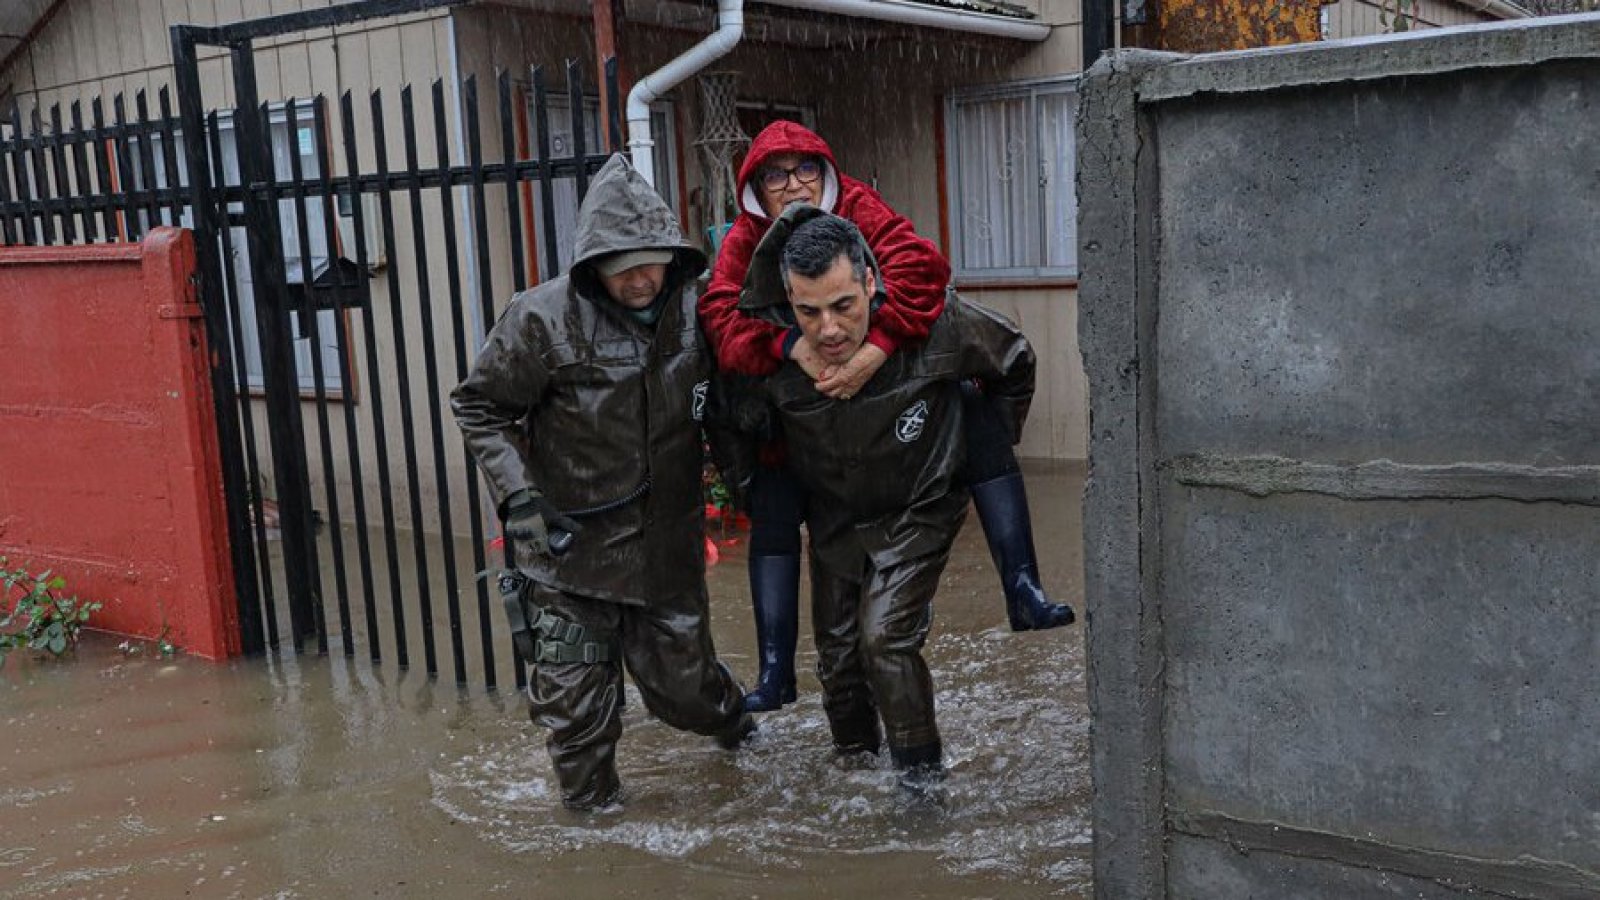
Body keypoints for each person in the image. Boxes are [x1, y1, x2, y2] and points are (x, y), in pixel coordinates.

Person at [698, 120, 1073, 713]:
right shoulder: (745, 241)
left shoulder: (859, 208)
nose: (792, 185)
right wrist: (786, 347)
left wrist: (878, 349)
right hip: (807, 429)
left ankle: (1021, 585)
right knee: (780, 507)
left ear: (825, 173)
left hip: (898, 419)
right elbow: (719, 321)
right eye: (774, 175)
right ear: (754, 187)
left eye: (804, 169)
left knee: (971, 405)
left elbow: (925, 271)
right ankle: (774, 671)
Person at [451, 154, 752, 812]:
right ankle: (597, 840)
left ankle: (742, 729)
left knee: (688, 696)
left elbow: (728, 409)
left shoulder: (699, 312)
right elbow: (479, 407)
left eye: (652, 265)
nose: (642, 281)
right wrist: (517, 495)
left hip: (666, 553)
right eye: (623, 270)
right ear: (595, 269)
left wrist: (748, 484)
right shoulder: (540, 319)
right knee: (575, 719)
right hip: (565, 559)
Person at [723, 206, 1038, 785]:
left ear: (871, 282)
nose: (830, 330)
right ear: (788, 303)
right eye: (809, 312)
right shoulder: (777, 358)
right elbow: (736, 422)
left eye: (844, 306)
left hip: (920, 504)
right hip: (836, 519)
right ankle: (855, 776)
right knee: (840, 667)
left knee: (885, 638)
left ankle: (921, 784)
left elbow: (1015, 360)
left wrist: (985, 443)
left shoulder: (936, 325)